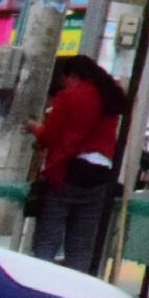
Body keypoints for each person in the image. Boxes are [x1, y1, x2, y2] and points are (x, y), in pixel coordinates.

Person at [29, 54, 126, 274]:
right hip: (101, 174)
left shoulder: (69, 97)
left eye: (65, 81)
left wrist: (35, 128)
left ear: (73, 76)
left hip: (67, 171)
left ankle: (39, 285)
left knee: (47, 241)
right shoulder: (110, 97)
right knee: (81, 247)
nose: (65, 85)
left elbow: (50, 137)